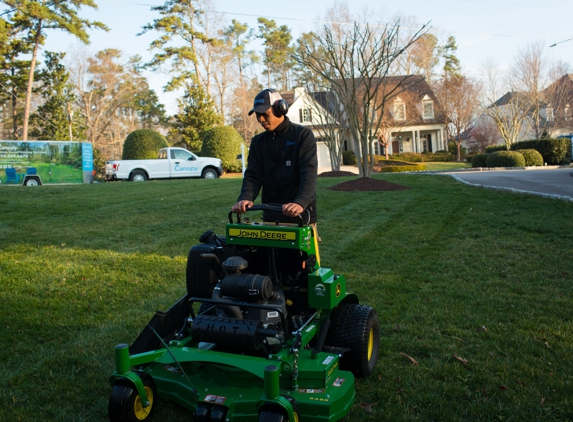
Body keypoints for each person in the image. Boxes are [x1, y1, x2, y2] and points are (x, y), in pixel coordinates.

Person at [231, 88, 317, 225]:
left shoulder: (302, 136)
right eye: (258, 115)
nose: (261, 119)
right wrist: (245, 198)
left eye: (264, 114)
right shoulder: (258, 142)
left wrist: (300, 203)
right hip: (271, 216)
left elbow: (309, 173)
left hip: (301, 217)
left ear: (280, 109)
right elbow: (253, 175)